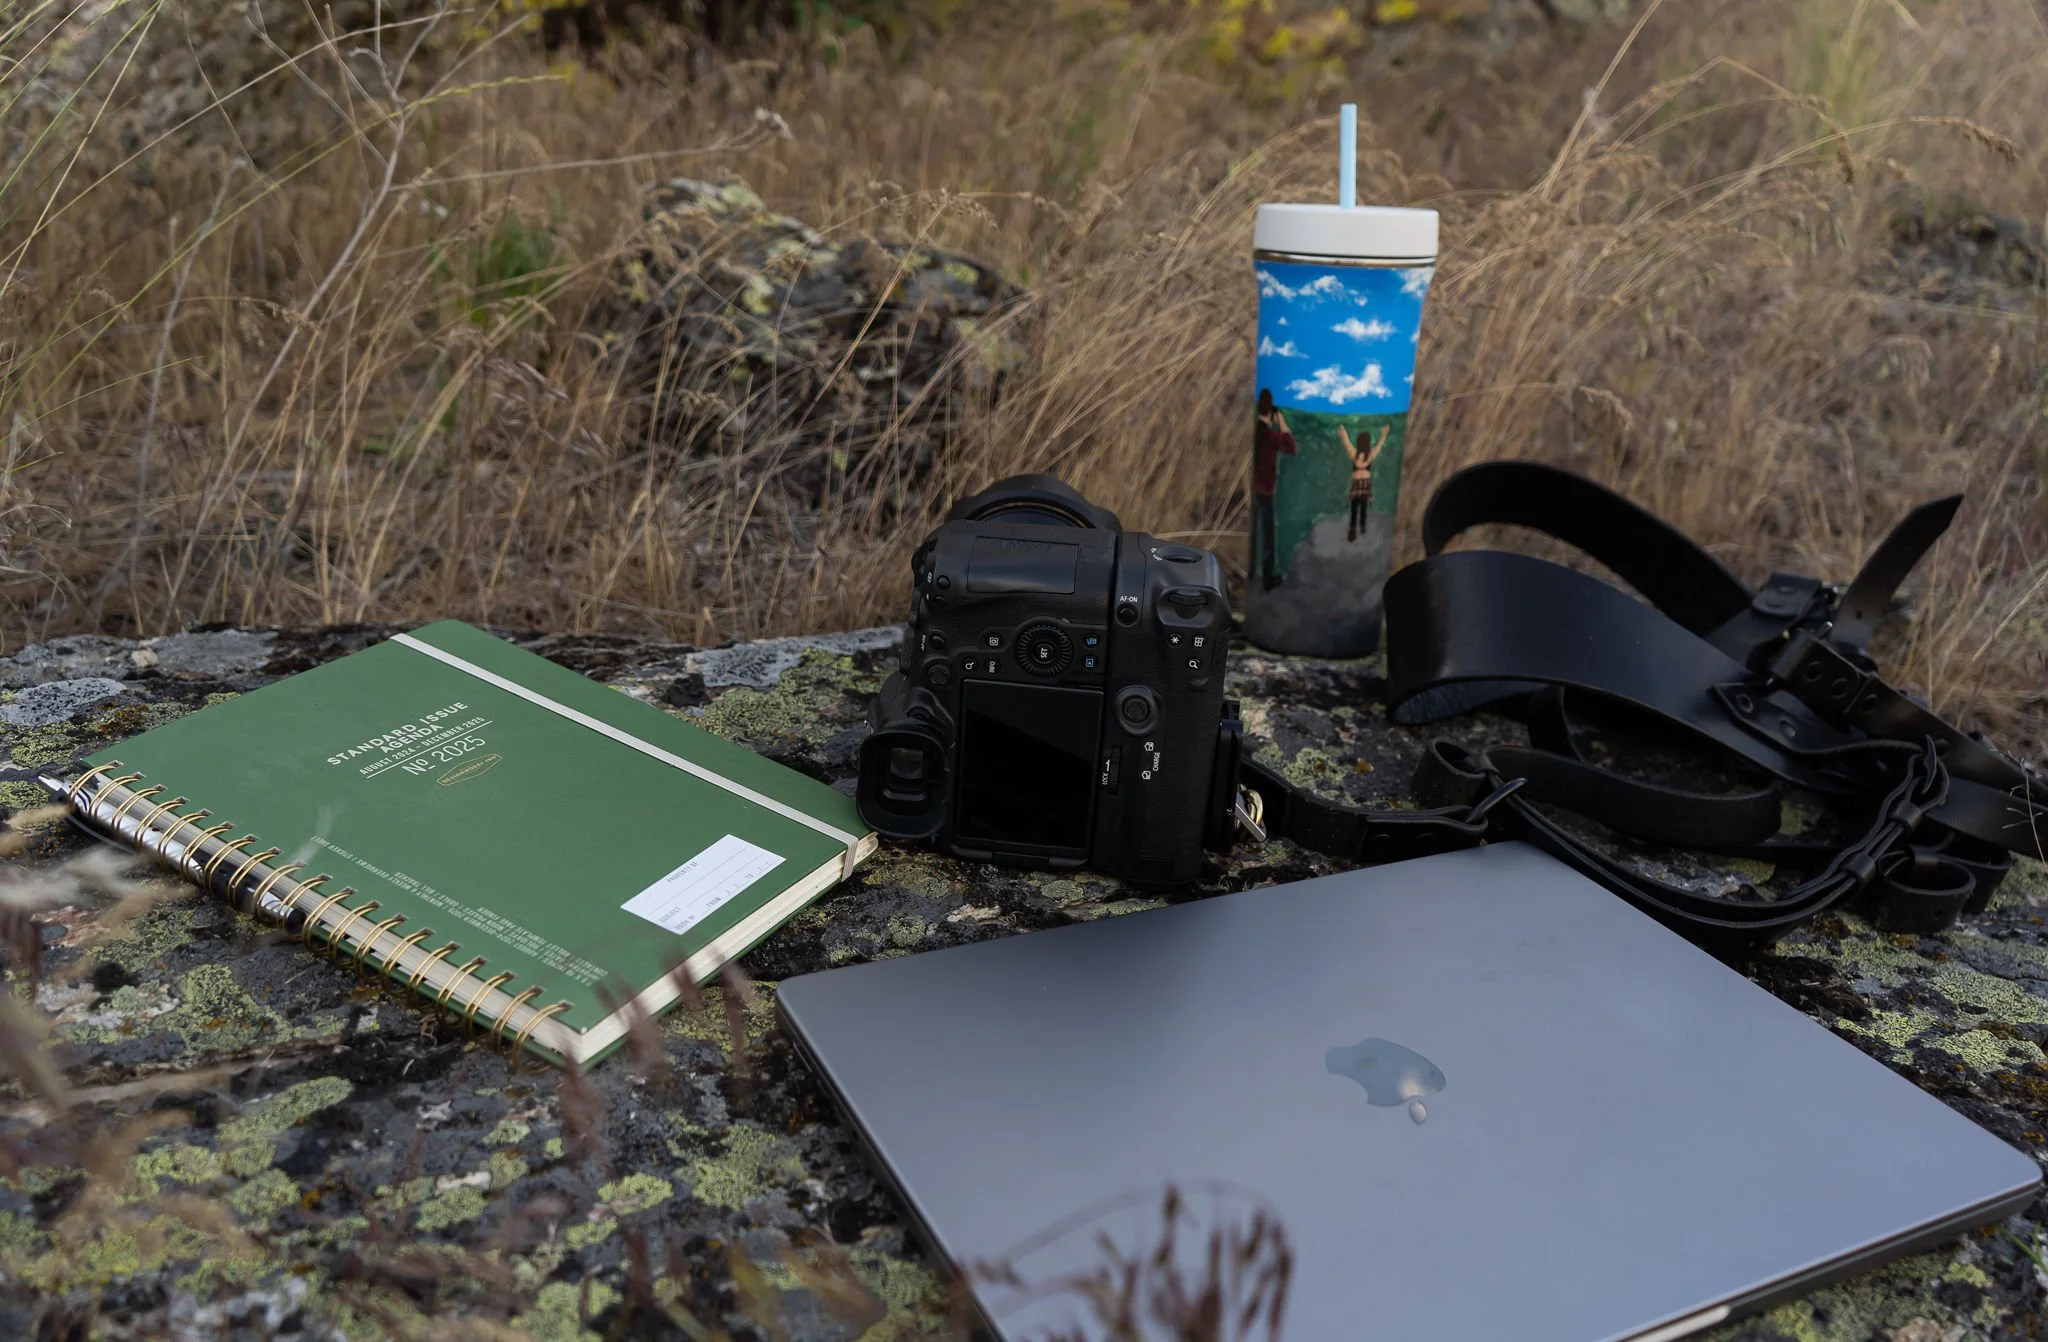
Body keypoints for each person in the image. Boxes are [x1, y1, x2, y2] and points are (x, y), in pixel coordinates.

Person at [1252, 389, 1296, 591]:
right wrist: (1283, 423)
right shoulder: (1271, 435)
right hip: (1265, 491)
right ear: (1272, 413)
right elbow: (1290, 447)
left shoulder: (1256, 432)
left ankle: (1251, 575)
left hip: (1251, 490)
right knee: (1267, 536)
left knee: (1252, 533)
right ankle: (1268, 580)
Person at [1339, 421, 1391, 543]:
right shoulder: (1369, 456)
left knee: (1356, 508)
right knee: (1361, 508)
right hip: (1364, 485)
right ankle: (1360, 529)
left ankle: (1356, 530)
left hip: (1358, 485)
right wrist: (1383, 435)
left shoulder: (1356, 455)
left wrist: (1343, 432)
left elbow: (1347, 442)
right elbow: (1379, 445)